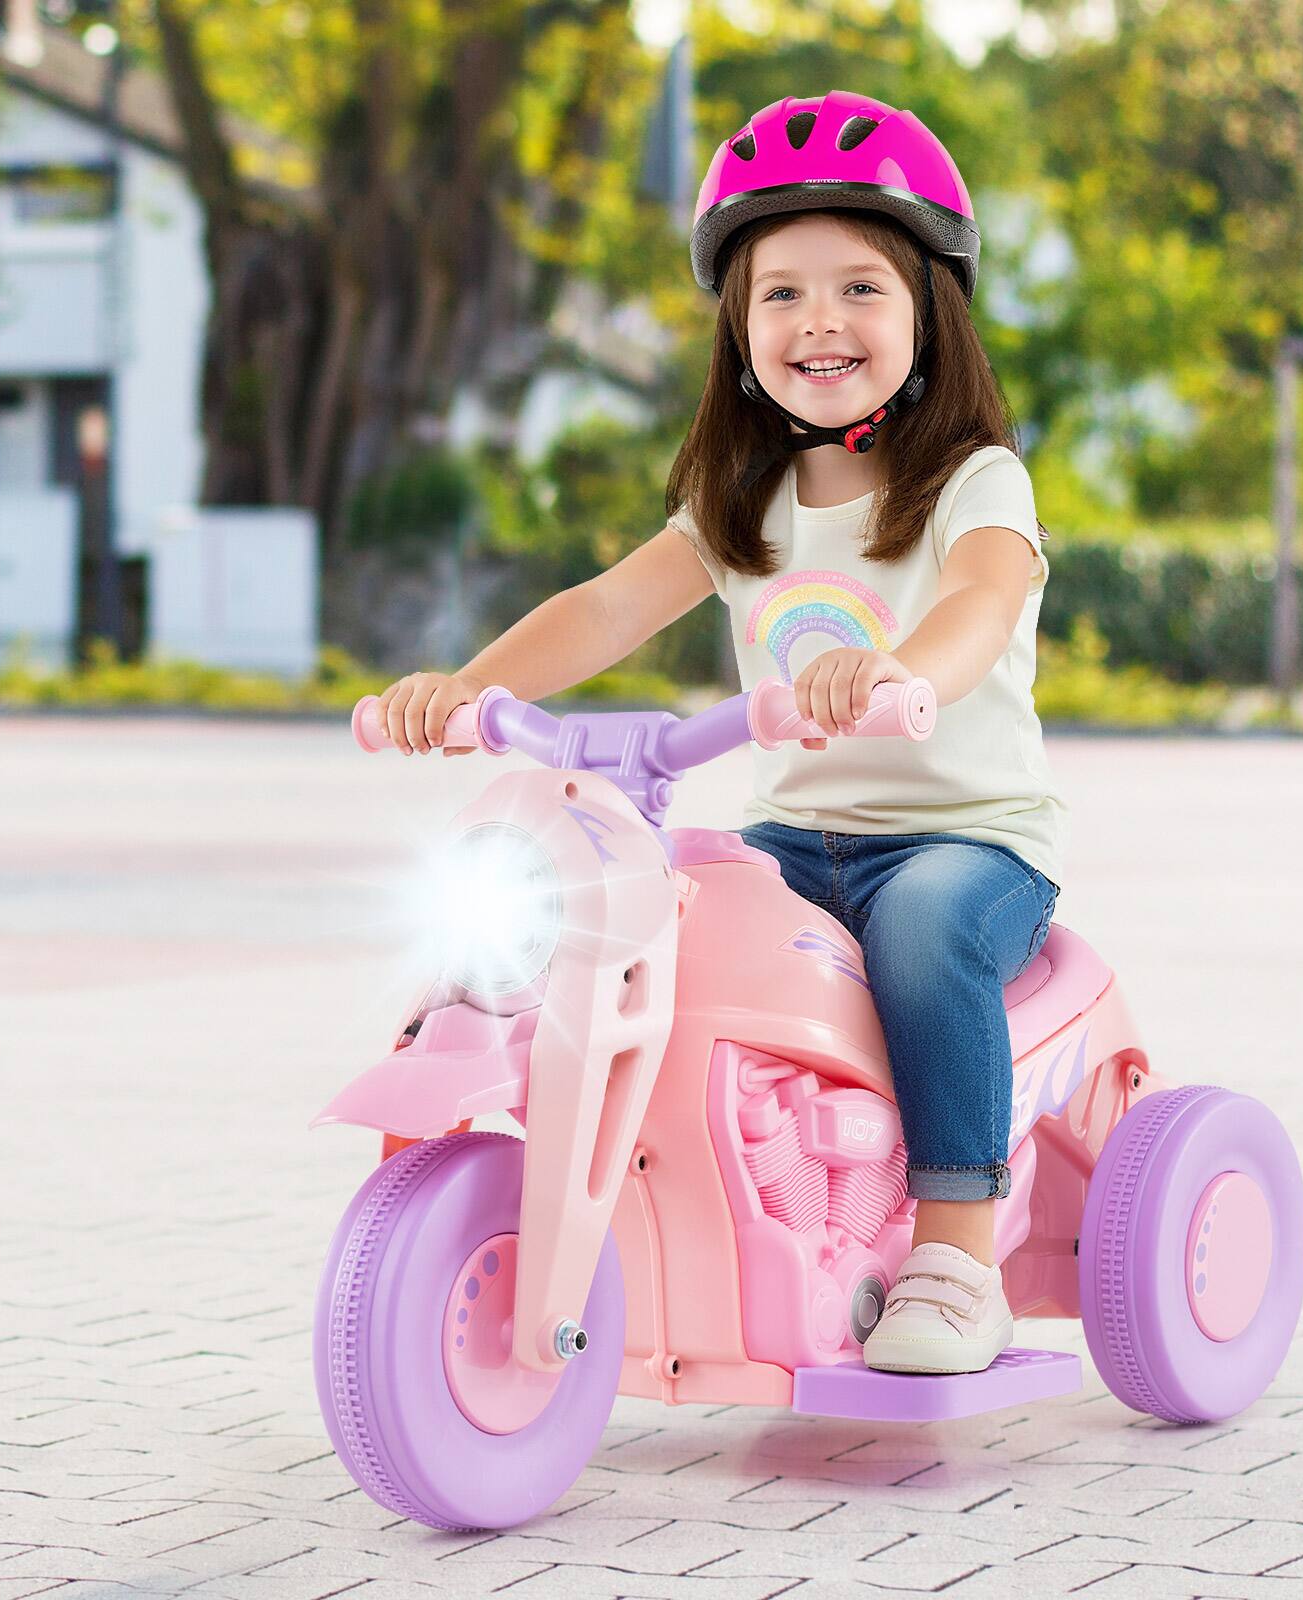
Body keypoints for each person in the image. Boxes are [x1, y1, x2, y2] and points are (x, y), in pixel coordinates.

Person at [374, 92, 1069, 1377]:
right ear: (738, 333)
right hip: (797, 833)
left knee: (921, 935)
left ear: (930, 313)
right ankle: (673, 1193)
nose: (819, 321)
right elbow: (603, 606)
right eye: (780, 294)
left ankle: (958, 1250)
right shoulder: (735, 496)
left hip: (963, 839)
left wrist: (902, 668)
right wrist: (461, 686)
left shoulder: (976, 479)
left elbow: (979, 597)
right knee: (653, 908)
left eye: (860, 286)